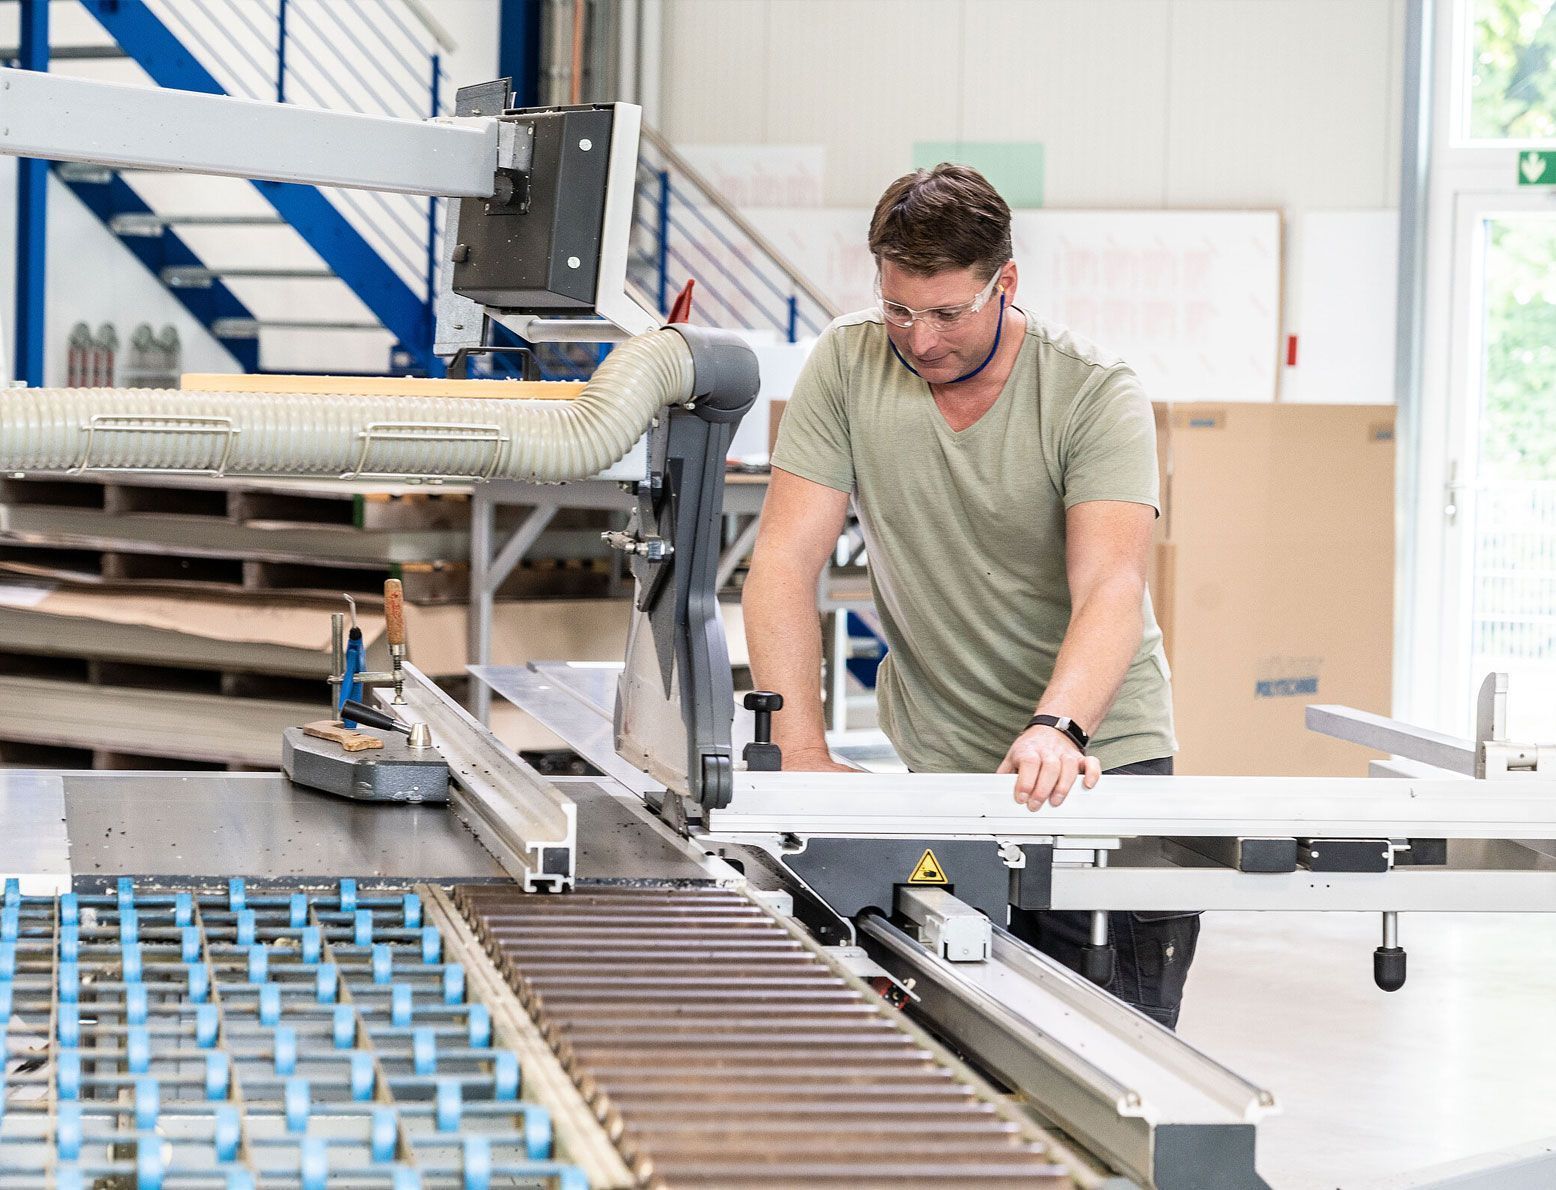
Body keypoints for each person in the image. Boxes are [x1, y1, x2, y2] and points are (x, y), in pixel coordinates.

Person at [742, 163, 1197, 1028]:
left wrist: (1058, 727)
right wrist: (796, 749)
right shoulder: (847, 362)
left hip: (1099, 760)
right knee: (972, 1042)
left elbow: (1112, 582)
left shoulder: (1094, 393)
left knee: (1113, 1055)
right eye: (899, 309)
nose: (919, 340)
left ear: (1006, 284)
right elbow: (783, 562)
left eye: (947, 312)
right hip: (945, 773)